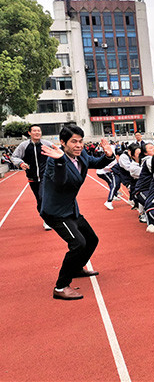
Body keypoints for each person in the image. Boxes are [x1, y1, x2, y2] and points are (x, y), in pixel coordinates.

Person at [40, 125, 115, 300]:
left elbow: (96, 163)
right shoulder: (54, 160)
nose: (78, 145)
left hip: (71, 209)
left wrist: (108, 155)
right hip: (56, 212)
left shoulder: (81, 156)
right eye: (74, 141)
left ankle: (76, 268)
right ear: (63, 142)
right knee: (78, 244)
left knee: (92, 240)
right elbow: (61, 183)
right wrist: (60, 161)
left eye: (80, 141)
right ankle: (60, 287)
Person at [10, 124, 54, 229]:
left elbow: (59, 152)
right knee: (39, 200)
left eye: (39, 130)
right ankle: (45, 217)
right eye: (34, 131)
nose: (37, 132)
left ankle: (48, 220)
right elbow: (14, 157)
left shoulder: (47, 144)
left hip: (46, 176)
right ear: (29, 133)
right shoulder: (24, 145)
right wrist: (21, 163)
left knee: (43, 197)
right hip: (32, 177)